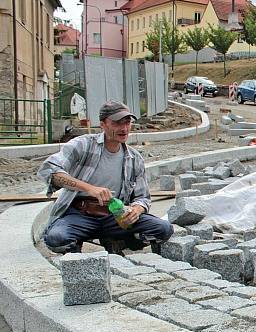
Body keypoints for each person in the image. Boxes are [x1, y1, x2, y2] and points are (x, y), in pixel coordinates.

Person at [38, 100, 173, 255]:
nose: (124, 129)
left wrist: (137, 209)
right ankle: (76, 249)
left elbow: (143, 197)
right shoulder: (84, 145)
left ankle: (120, 241)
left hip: (114, 218)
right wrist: (90, 189)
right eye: (117, 123)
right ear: (103, 124)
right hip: (80, 215)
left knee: (163, 229)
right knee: (56, 238)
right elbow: (49, 170)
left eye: (127, 123)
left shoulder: (134, 158)